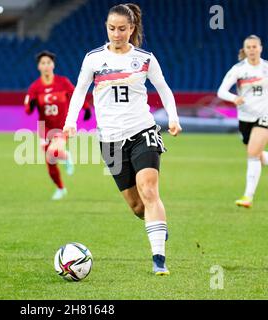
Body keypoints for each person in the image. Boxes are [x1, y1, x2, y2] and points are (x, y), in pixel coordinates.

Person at [63, 3, 181, 275]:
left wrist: (173, 118)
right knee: (138, 206)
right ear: (106, 28)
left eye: (122, 29)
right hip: (110, 141)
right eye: (112, 28)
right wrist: (70, 124)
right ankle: (158, 227)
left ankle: (159, 260)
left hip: (142, 131)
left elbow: (164, 88)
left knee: (149, 191)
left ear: (132, 29)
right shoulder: (93, 58)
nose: (116, 34)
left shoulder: (145, 59)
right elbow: (80, 92)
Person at [24, 50, 91, 200]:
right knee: (50, 162)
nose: (46, 66)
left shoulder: (63, 82)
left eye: (48, 62)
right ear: (38, 67)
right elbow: (27, 110)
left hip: (62, 126)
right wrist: (31, 105)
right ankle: (60, 188)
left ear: (53, 65)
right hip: (44, 128)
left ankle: (66, 156)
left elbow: (76, 96)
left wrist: (86, 108)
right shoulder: (35, 87)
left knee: (52, 152)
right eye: (43, 63)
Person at [218, 35, 268, 208]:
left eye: (255, 47)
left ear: (260, 48)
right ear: (244, 50)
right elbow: (221, 91)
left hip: (264, 116)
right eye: (249, 47)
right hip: (245, 118)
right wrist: (234, 98)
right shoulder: (238, 69)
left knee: (253, 153)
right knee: (259, 155)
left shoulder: (266, 68)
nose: (252, 50)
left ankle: (248, 197)